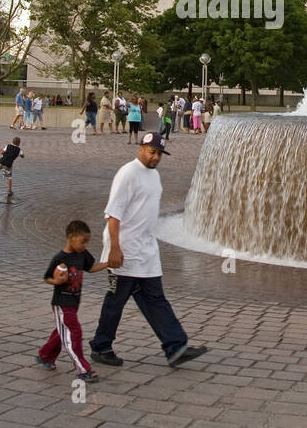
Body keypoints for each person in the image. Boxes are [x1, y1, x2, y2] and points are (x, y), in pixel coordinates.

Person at [89, 131, 207, 369]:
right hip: (124, 250)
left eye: (159, 154)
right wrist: (114, 248)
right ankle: (101, 347)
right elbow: (113, 215)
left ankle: (175, 347)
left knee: (156, 300)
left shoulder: (154, 176)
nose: (155, 157)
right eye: (152, 152)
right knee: (116, 301)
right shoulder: (128, 174)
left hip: (146, 250)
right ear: (140, 149)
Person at [35, 219, 111, 382]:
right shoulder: (60, 258)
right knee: (73, 334)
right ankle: (83, 369)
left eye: (87, 242)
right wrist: (57, 282)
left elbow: (91, 268)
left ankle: (45, 355)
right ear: (70, 237)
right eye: (82, 241)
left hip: (74, 303)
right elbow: (47, 277)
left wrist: (107, 264)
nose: (85, 245)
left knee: (61, 332)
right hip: (62, 304)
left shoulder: (82, 255)